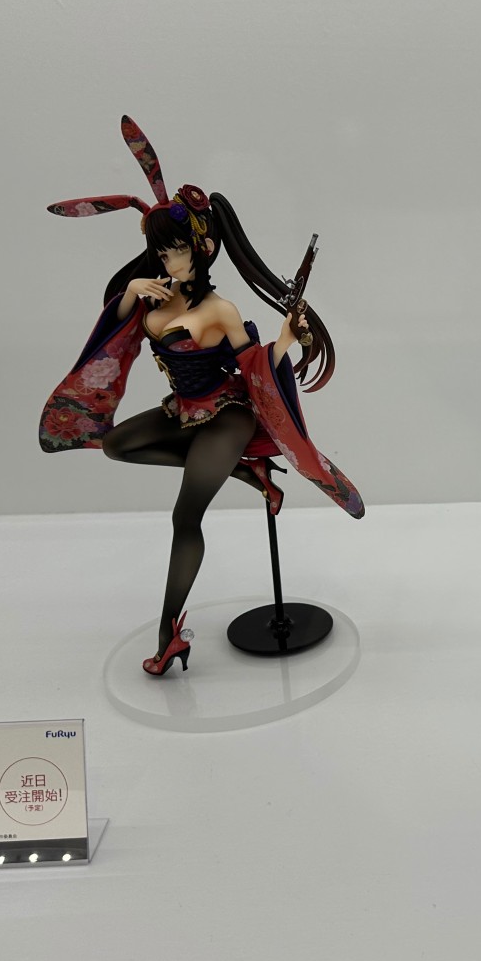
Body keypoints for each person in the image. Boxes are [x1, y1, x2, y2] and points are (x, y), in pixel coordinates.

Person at [40, 117, 363, 674]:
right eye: (160, 253)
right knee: (116, 444)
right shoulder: (154, 298)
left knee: (185, 516)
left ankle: (169, 634)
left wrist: (288, 339)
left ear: (200, 249)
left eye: (176, 252)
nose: (167, 262)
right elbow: (114, 329)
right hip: (184, 412)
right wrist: (129, 293)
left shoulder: (219, 310)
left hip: (227, 416)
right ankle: (246, 473)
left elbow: (254, 366)